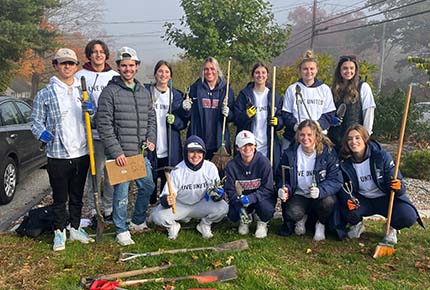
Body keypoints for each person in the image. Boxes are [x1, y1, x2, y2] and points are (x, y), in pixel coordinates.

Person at [32, 48, 94, 251]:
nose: (67, 67)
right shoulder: (46, 93)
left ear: (76, 66)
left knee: (77, 195)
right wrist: (42, 134)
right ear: (56, 65)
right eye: (63, 63)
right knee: (60, 196)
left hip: (82, 152)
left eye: (71, 63)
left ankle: (75, 228)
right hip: (58, 154)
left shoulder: (82, 91)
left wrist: (91, 110)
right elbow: (35, 121)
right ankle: (60, 231)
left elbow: (91, 120)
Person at [96, 47, 156, 246]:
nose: (127, 69)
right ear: (118, 67)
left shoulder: (143, 91)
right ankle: (121, 229)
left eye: (131, 65)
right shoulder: (109, 92)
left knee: (147, 186)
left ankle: (137, 221)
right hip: (121, 155)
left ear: (137, 67)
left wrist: (151, 138)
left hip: (139, 154)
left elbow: (151, 118)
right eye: (123, 65)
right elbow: (103, 125)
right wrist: (116, 151)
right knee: (121, 195)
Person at [338, 124, 424, 243]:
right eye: (349, 139)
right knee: (343, 207)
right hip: (363, 199)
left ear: (365, 139)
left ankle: (391, 227)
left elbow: (400, 187)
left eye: (357, 138)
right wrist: (348, 199)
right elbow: (342, 187)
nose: (353, 141)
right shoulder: (344, 162)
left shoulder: (381, 156)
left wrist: (398, 187)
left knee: (408, 216)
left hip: (385, 198)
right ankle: (357, 225)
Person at [149, 135, 229, 240]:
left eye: (199, 152)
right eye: (192, 151)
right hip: (180, 205)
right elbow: (165, 196)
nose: (195, 155)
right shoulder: (177, 170)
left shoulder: (210, 167)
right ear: (186, 153)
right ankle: (173, 226)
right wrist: (167, 200)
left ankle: (204, 225)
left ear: (203, 153)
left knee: (223, 208)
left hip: (201, 203)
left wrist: (218, 195)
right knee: (157, 216)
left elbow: (215, 193)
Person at [276, 120, 343, 241]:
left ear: (317, 136)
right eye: (302, 135)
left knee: (328, 202)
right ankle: (302, 218)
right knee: (292, 212)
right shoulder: (289, 154)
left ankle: (320, 223)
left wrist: (321, 190)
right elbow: (281, 177)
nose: (305, 138)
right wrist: (284, 188)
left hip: (320, 195)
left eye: (309, 135)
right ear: (297, 136)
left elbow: (336, 180)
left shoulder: (328, 153)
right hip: (299, 194)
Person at [75, 39, 119, 220]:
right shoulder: (80, 76)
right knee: (95, 172)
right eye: (94, 51)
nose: (98, 54)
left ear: (106, 54)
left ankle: (108, 208)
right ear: (89, 55)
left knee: (111, 174)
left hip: (112, 134)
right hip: (93, 134)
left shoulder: (114, 76)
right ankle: (94, 208)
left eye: (101, 51)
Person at [144, 60, 186, 204]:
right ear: (155, 74)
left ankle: (164, 206)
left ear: (171, 76)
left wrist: (175, 121)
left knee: (168, 179)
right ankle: (148, 208)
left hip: (170, 145)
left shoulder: (176, 95)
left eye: (167, 72)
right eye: (160, 71)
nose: (163, 74)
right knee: (150, 179)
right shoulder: (146, 92)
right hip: (151, 144)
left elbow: (183, 123)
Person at [224, 130, 276, 239]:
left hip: (260, 198)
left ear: (255, 145)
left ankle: (262, 222)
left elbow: (267, 188)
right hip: (242, 199)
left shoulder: (264, 162)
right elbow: (230, 189)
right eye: (243, 145)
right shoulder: (231, 166)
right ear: (238, 147)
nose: (247, 148)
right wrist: (238, 201)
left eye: (250, 145)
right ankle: (246, 219)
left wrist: (251, 198)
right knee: (232, 215)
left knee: (267, 209)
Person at [181, 57, 235, 160]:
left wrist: (229, 114)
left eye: (212, 69)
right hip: (199, 138)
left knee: (218, 174)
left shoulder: (226, 90)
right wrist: (185, 109)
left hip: (218, 142)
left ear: (217, 70)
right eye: (206, 69)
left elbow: (233, 117)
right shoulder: (194, 88)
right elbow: (187, 116)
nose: (209, 72)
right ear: (202, 71)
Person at [281, 50, 336, 150]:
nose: (308, 72)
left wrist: (315, 127)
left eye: (312, 68)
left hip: (318, 138)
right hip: (293, 137)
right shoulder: (292, 89)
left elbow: (329, 114)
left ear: (317, 69)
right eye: (305, 69)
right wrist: (297, 126)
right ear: (300, 70)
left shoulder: (324, 89)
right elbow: (286, 114)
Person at [234, 62, 284, 171]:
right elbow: (236, 118)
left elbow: (281, 117)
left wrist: (278, 122)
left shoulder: (274, 95)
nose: (260, 75)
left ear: (267, 75)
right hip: (249, 143)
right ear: (253, 75)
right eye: (257, 72)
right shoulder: (244, 95)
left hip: (268, 143)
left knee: (267, 172)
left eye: (263, 72)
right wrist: (246, 115)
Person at [328, 55, 376, 151]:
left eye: (351, 68)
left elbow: (368, 112)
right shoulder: (332, 89)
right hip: (334, 139)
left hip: (354, 140)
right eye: (345, 68)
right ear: (340, 70)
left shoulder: (363, 87)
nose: (348, 71)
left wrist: (365, 135)